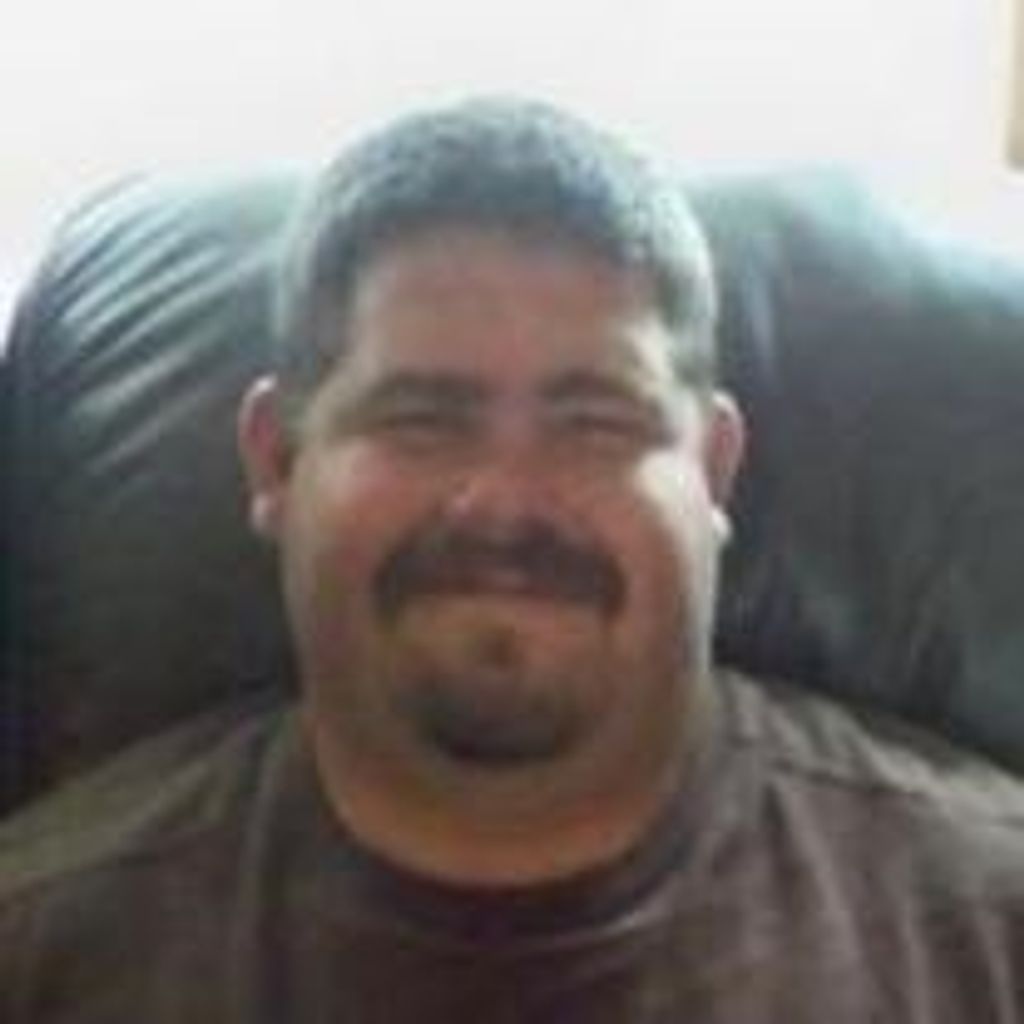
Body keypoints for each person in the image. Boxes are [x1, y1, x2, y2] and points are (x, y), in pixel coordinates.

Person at [1, 97, 1022, 1022]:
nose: (505, 502)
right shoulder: (40, 949)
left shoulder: (985, 929)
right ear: (276, 460)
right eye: (421, 419)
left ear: (712, 471)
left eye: (594, 424)